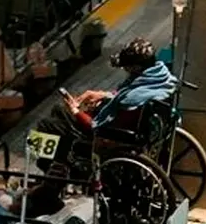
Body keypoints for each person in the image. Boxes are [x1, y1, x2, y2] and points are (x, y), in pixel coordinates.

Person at [28, 37, 178, 211]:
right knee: (58, 111)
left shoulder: (133, 100)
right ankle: (54, 170)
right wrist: (103, 95)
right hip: (144, 129)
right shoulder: (159, 78)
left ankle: (53, 175)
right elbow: (125, 94)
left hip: (112, 138)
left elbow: (97, 127)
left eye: (127, 67)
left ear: (136, 68)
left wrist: (76, 110)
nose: (125, 70)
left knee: (46, 127)